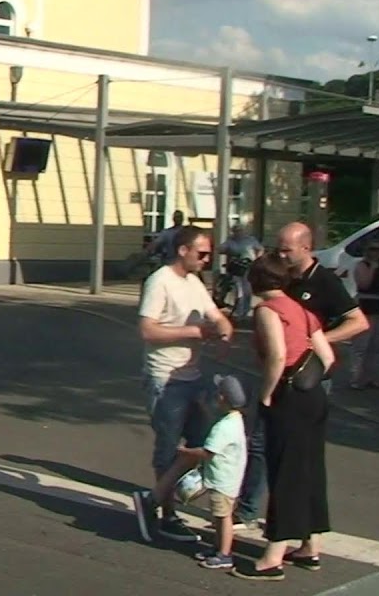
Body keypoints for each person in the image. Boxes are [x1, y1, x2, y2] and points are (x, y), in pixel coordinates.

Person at [236, 222, 368, 527]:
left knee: (299, 453)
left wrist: (316, 339)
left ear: (306, 248)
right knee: (261, 443)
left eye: (287, 250)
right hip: (282, 371)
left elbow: (358, 322)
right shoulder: (283, 279)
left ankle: (286, 524)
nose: (280, 255)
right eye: (277, 248)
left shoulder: (324, 281)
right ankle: (250, 509)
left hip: (308, 375)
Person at [234, 254, 337, 581]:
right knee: (310, 468)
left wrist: (265, 394)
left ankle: (273, 556)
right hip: (313, 396)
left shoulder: (268, 311)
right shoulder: (303, 311)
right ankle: (310, 546)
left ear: (257, 281)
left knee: (285, 472)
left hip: (288, 395)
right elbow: (328, 357)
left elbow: (277, 355)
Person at [136, 225, 234, 542]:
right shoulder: (159, 282)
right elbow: (148, 331)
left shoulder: (193, 282)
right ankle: (166, 514)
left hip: (192, 376)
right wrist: (193, 333)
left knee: (201, 445)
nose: (206, 260)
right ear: (183, 250)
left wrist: (222, 324)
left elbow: (213, 312)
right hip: (165, 379)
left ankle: (163, 498)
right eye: (201, 253)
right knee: (168, 448)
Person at [133, 375, 248, 570]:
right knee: (220, 516)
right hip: (227, 479)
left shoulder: (224, 427)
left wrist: (183, 451)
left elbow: (207, 452)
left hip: (222, 482)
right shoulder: (235, 420)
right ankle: (217, 548)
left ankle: (224, 554)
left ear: (222, 398)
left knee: (222, 517)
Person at [349, 240, 379, 389]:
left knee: (375, 344)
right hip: (366, 301)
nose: (376, 253)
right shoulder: (362, 265)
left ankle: (370, 376)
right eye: (373, 249)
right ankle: (356, 377)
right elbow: (364, 284)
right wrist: (372, 267)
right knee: (361, 343)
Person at [219, 224, 263, 318]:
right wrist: (227, 250)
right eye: (236, 230)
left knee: (247, 290)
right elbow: (220, 249)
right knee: (239, 289)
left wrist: (257, 260)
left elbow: (260, 249)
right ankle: (238, 311)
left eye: (240, 230)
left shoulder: (250, 240)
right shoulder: (230, 241)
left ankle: (245, 311)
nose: (238, 232)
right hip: (235, 268)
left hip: (248, 266)